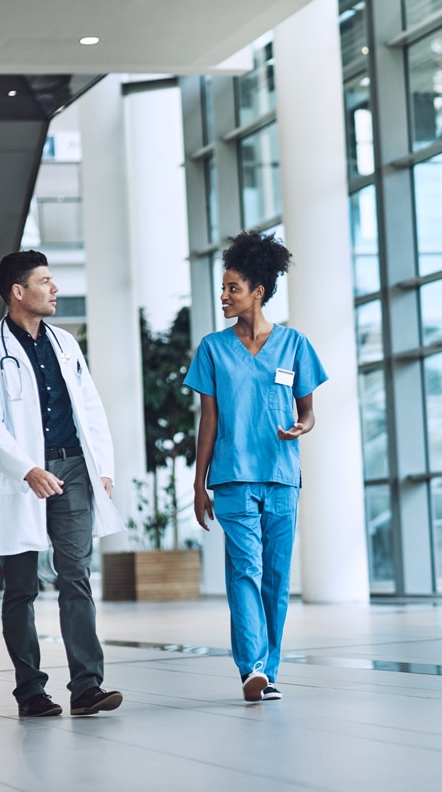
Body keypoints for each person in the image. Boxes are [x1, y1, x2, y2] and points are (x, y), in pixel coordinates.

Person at [0, 250, 125, 718]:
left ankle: (87, 686)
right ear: (19, 291)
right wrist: (26, 469)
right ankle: (31, 690)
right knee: (21, 587)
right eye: (45, 281)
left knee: (75, 574)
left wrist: (104, 467)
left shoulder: (65, 343)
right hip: (23, 478)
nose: (54, 289)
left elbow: (90, 408)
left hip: (74, 468)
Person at [184, 230, 328, 703]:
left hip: (283, 477)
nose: (224, 296)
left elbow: (307, 411)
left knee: (276, 576)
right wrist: (199, 482)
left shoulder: (294, 345)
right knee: (244, 569)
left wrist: (301, 427)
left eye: (232, 289)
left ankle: (270, 666)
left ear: (257, 292)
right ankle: (253, 668)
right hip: (231, 477)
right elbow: (209, 418)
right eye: (223, 288)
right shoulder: (211, 348)